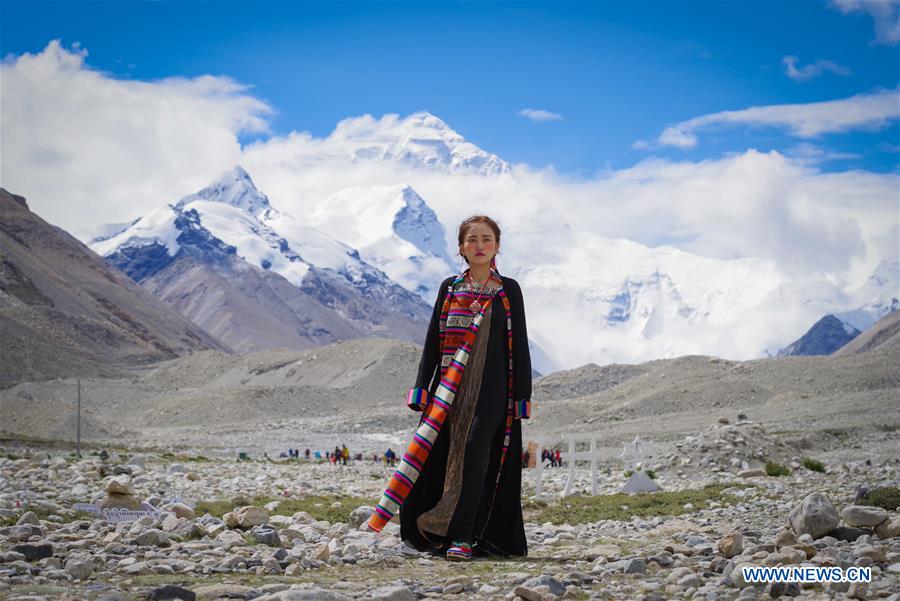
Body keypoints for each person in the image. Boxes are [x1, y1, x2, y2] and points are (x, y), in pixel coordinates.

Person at [368, 215, 532, 561]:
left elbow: (520, 346)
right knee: (439, 457)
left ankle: (464, 536)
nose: (479, 246)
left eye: (486, 239)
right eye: (472, 240)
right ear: (461, 248)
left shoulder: (508, 291)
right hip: (447, 391)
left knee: (474, 456)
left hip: (491, 391)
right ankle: (431, 528)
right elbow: (432, 339)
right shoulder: (450, 288)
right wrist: (420, 388)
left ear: (497, 246)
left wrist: (521, 397)